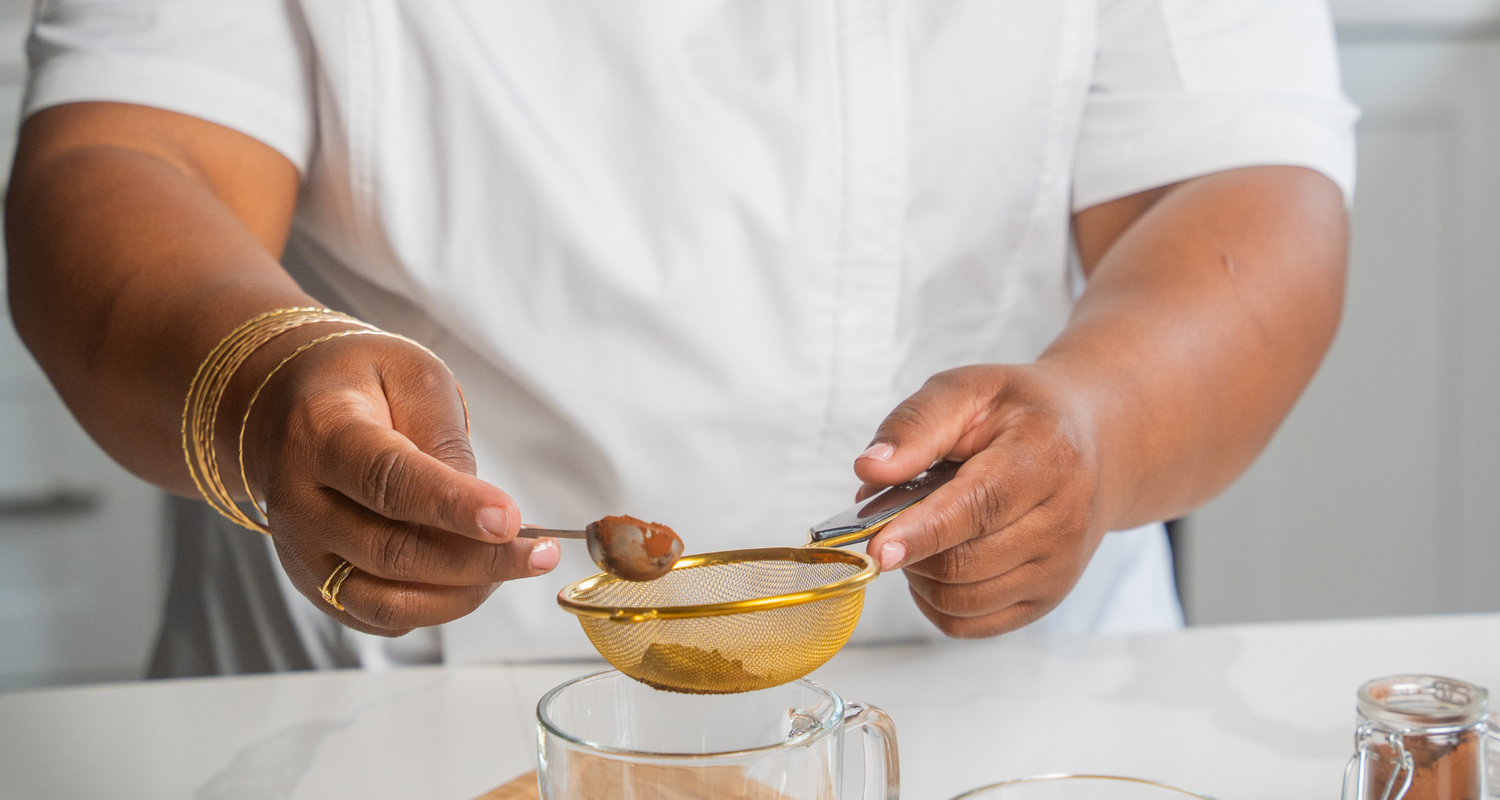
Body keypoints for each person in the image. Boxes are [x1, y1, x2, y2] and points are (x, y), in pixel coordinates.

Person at [6, 1, 1355, 674]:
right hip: (384, 701)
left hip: (985, 700)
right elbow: (127, 151)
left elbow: (1240, 181)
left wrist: (1099, 430)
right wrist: (257, 388)